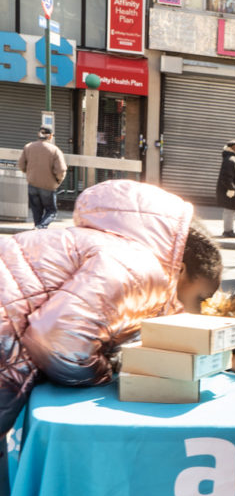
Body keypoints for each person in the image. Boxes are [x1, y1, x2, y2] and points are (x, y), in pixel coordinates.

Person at [0, 179, 222, 440]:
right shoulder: (143, 269)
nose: (195, 311)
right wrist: (107, 373)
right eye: (201, 298)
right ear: (181, 271)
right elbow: (58, 345)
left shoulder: (112, 246)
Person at [17, 126, 67, 229]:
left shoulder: (28, 147)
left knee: (36, 211)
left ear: (38, 134)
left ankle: (37, 229)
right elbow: (61, 170)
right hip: (48, 186)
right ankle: (40, 227)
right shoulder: (55, 150)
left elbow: (21, 165)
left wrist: (30, 174)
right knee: (51, 211)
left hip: (32, 184)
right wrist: (58, 181)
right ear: (51, 136)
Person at [216, 139, 235, 238]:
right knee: (229, 211)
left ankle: (229, 230)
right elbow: (226, 176)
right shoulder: (230, 160)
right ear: (231, 148)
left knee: (232, 211)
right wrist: (231, 188)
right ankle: (227, 231)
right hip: (231, 192)